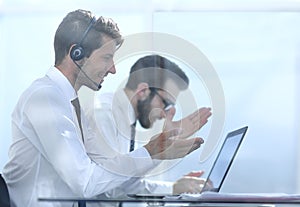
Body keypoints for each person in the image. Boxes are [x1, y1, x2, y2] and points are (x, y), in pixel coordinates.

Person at [2, 10, 205, 207]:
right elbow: (86, 182)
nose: (113, 69)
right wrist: (153, 152)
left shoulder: (71, 103)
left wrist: (160, 150)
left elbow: (108, 170)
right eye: (107, 57)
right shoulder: (45, 97)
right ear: (77, 53)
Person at [85, 54, 212, 198]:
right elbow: (108, 190)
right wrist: (159, 150)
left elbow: (124, 184)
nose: (165, 114)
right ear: (143, 91)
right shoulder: (103, 113)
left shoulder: (125, 117)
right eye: (165, 103)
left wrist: (175, 187)